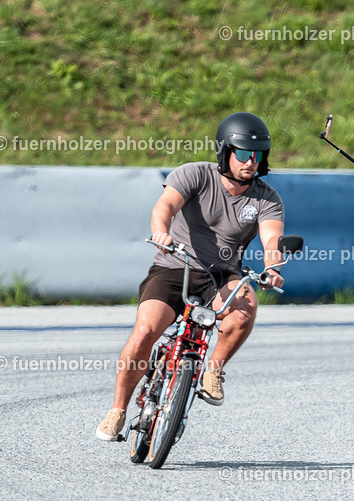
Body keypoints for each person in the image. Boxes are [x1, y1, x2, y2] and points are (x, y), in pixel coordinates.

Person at [96, 112, 286, 441]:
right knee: (144, 333)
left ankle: (213, 370)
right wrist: (161, 233)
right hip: (176, 265)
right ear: (224, 151)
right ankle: (117, 410)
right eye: (243, 153)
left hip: (222, 275)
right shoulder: (195, 174)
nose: (250, 162)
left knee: (246, 307)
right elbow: (165, 206)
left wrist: (272, 268)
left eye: (258, 155)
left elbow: (272, 239)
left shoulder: (266, 198)